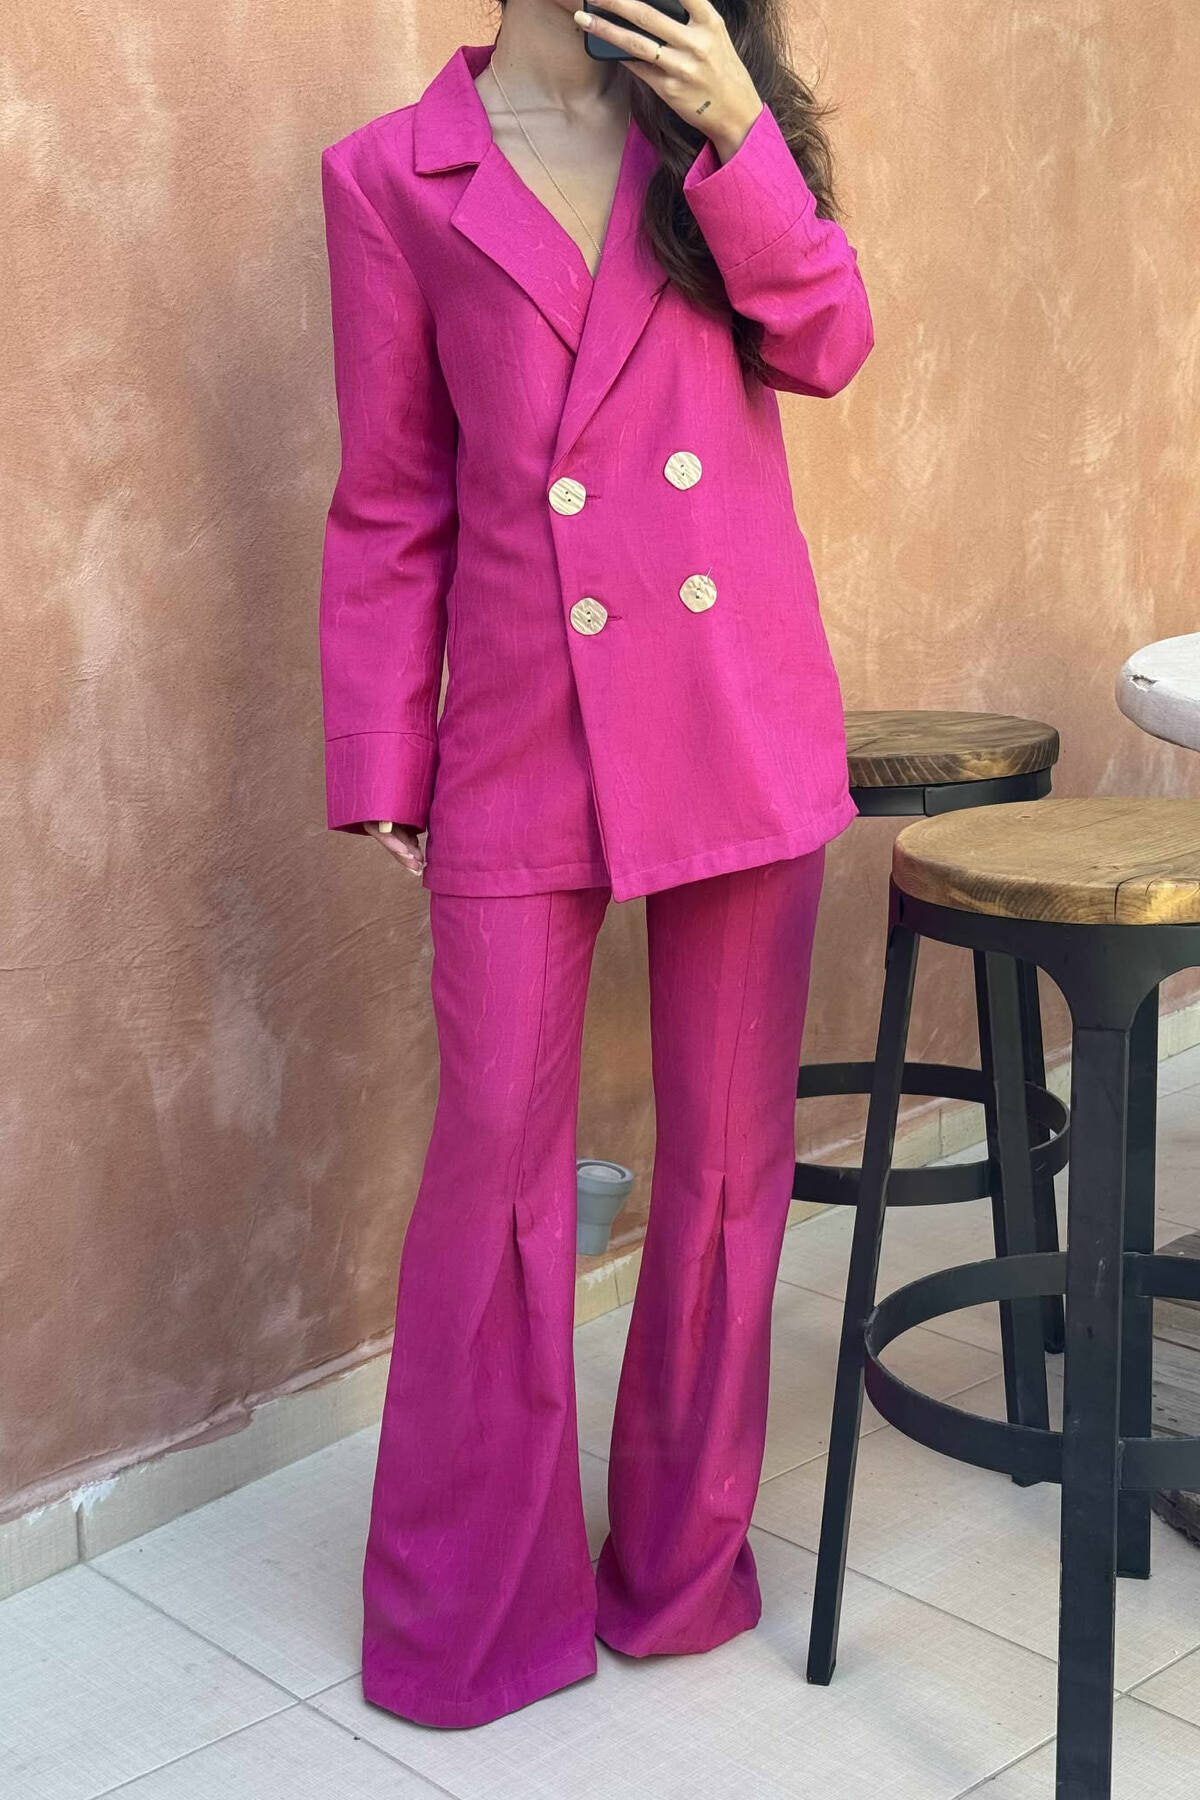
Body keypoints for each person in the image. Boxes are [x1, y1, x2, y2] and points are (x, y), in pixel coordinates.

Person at [317, 0, 873, 1730]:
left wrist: (740, 137)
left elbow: (831, 346)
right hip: (518, 715)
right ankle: (475, 1620)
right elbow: (393, 493)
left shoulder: (708, 134)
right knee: (495, 1162)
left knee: (723, 1163)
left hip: (730, 698)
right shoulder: (388, 175)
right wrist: (381, 747)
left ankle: (679, 1574)